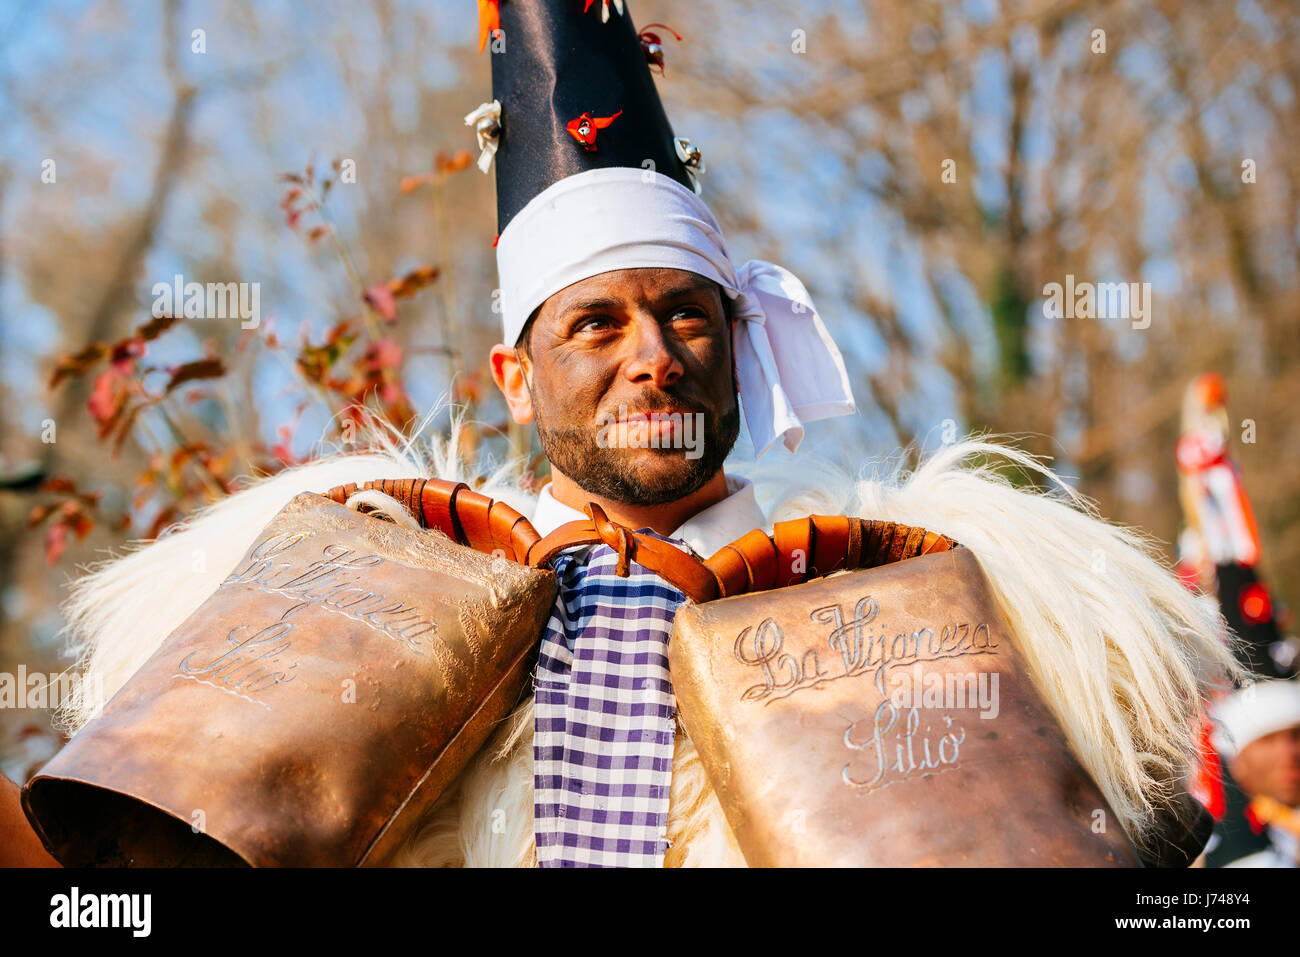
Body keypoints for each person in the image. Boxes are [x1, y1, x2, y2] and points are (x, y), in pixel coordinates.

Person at [2, 0, 1238, 867]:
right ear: (515, 377)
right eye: (594, 324)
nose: (653, 353)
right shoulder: (365, 583)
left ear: (732, 335)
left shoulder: (900, 585)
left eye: (685, 314)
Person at [1207, 680, 1300, 867]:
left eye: (1296, 735)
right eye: (1267, 740)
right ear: (1238, 764)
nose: (1289, 753)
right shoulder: (1234, 857)